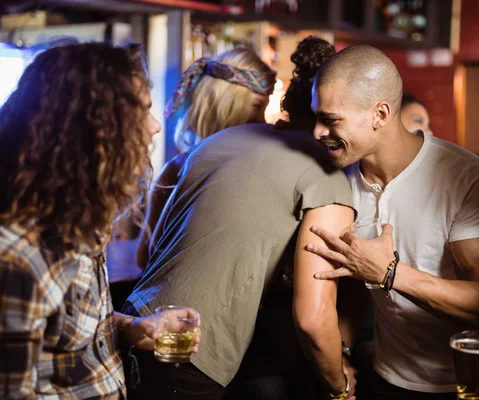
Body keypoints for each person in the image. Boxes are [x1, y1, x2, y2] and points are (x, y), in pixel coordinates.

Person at [123, 36, 358, 400]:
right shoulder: (326, 175)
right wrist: (342, 389)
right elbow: (314, 315)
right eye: (255, 104)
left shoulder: (219, 143)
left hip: (138, 323)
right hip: (194, 348)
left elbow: (152, 254)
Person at [307, 44, 479, 399]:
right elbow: (354, 287)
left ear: (381, 114)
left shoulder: (464, 175)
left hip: (463, 384)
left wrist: (389, 272)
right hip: (383, 376)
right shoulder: (338, 179)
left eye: (330, 119)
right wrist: (342, 352)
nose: (316, 132)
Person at [0, 42, 200, 399]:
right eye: (141, 112)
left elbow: (70, 331)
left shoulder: (83, 222)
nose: (155, 127)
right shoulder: (18, 257)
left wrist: (133, 327)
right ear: (92, 129)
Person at [136, 47, 276, 270]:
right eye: (257, 107)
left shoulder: (177, 167)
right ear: (226, 105)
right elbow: (147, 255)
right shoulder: (178, 170)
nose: (263, 120)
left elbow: (144, 255)